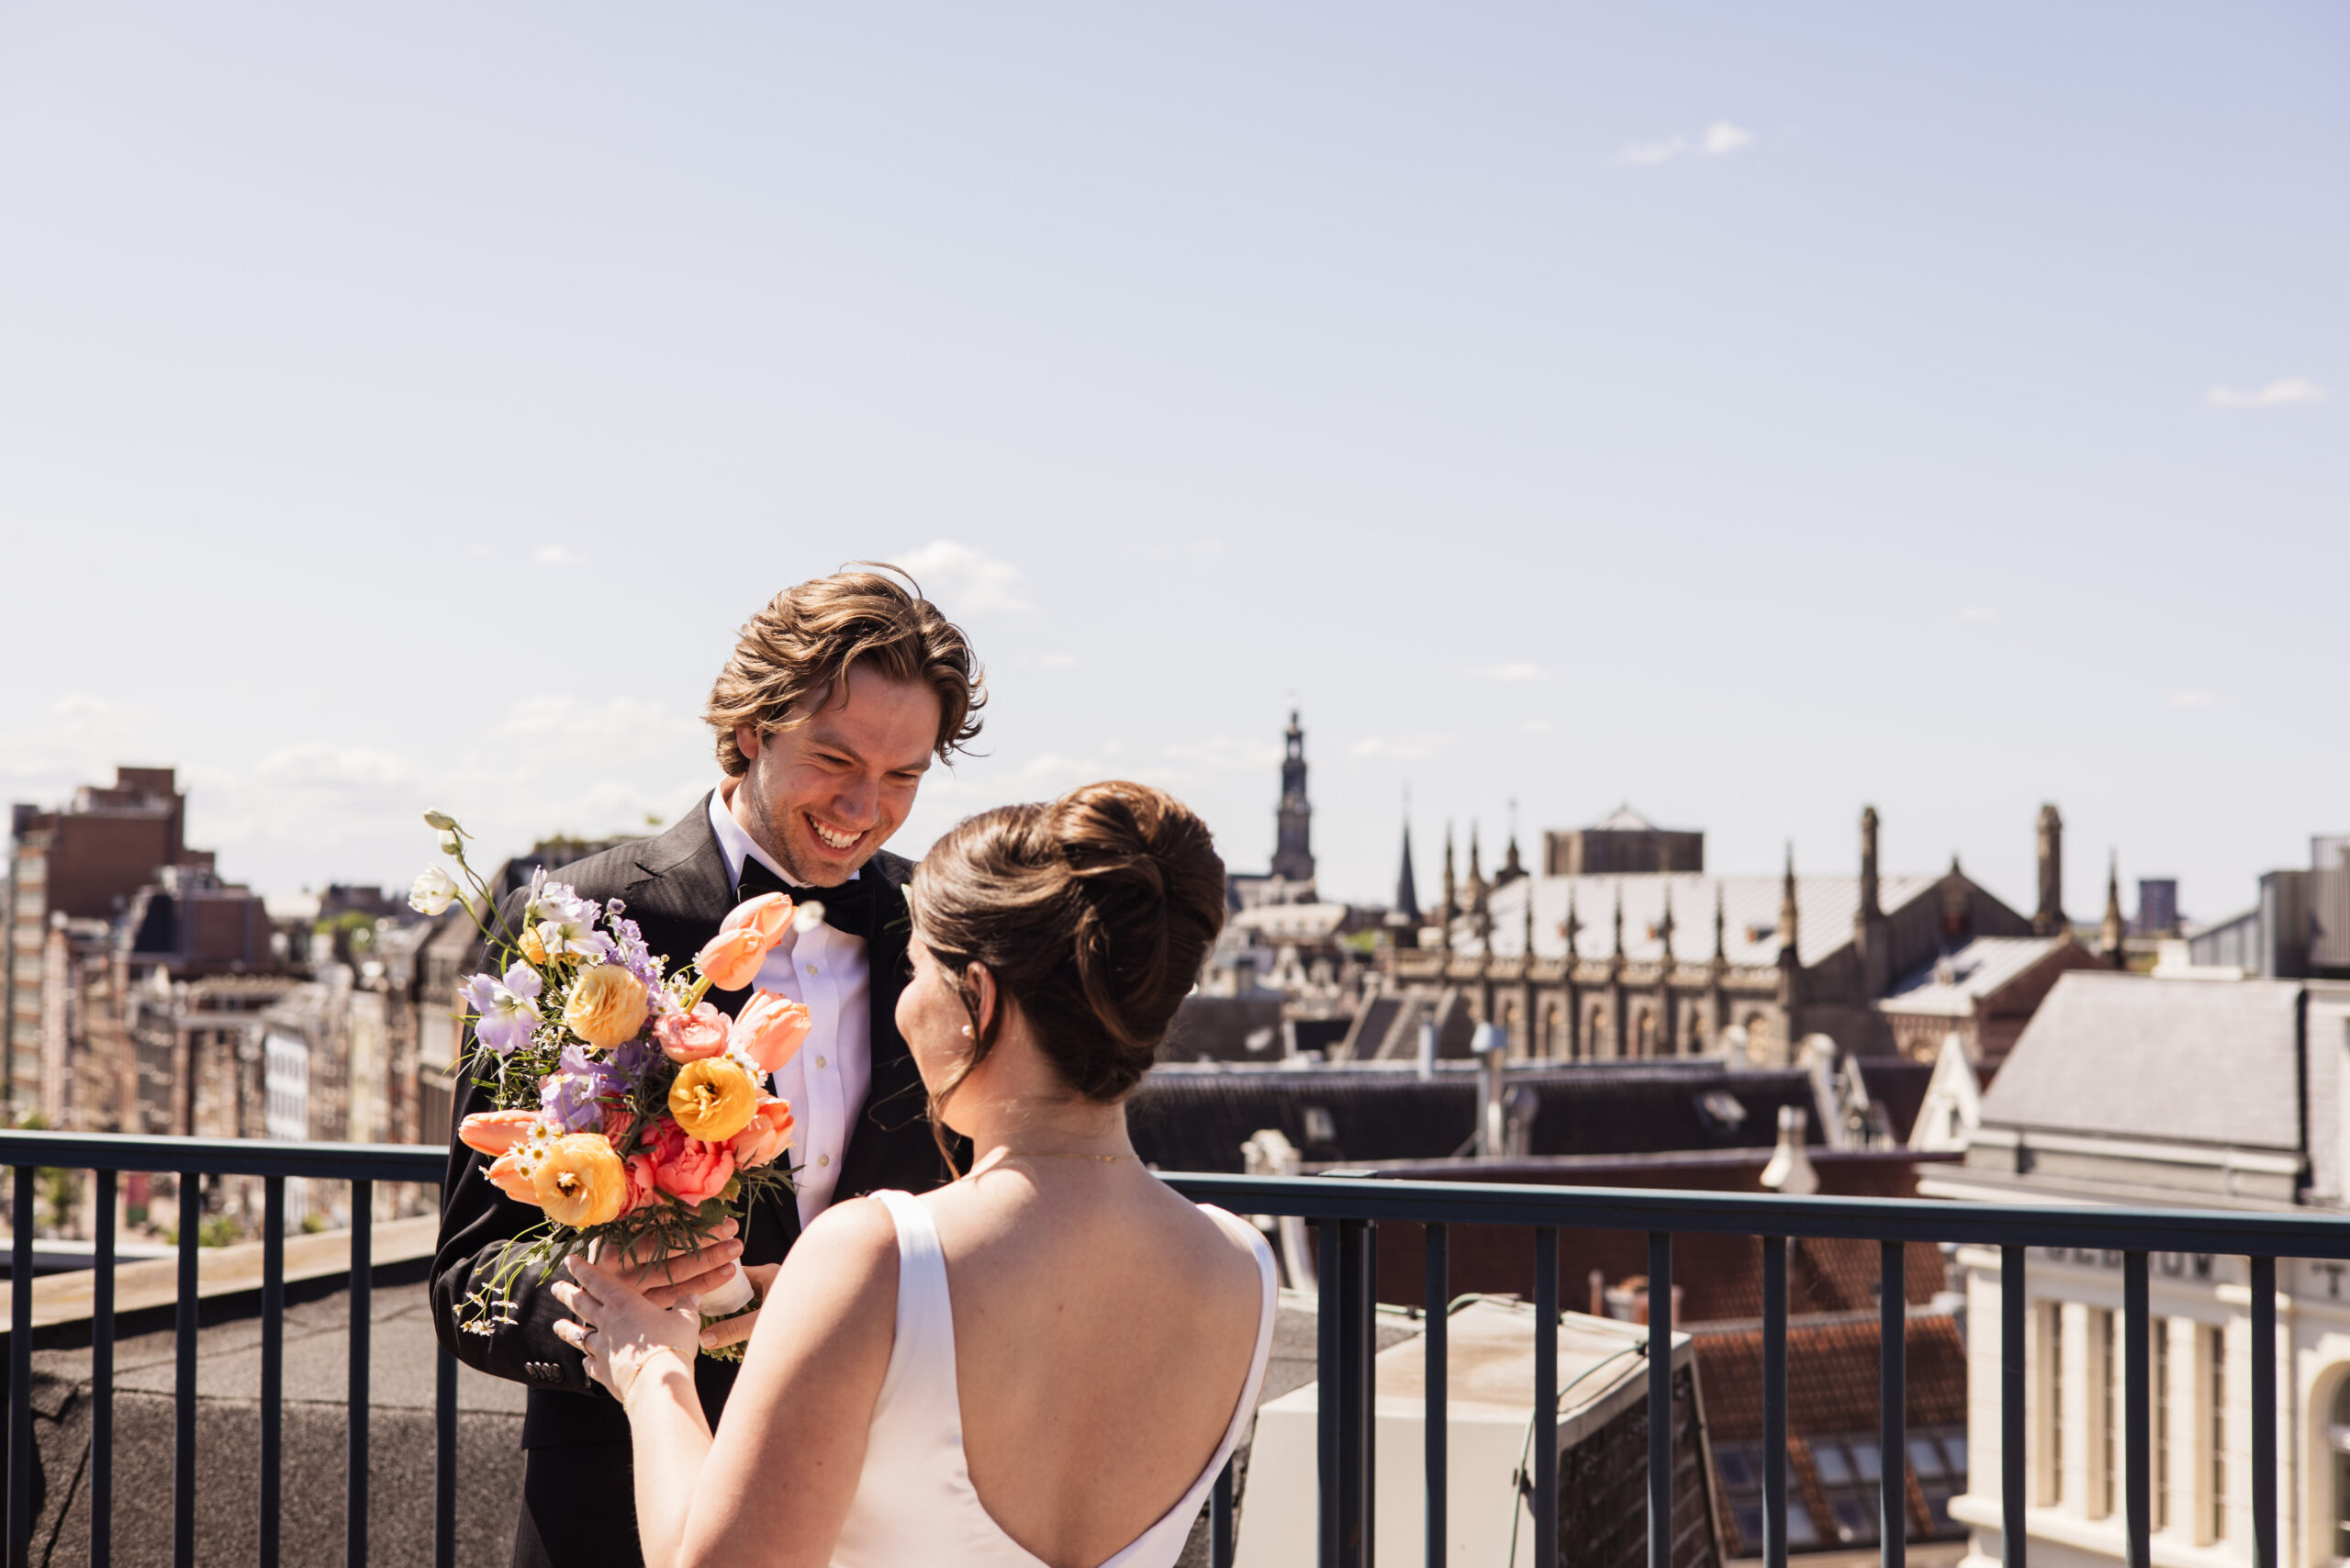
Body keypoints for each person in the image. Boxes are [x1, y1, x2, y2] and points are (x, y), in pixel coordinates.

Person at [550, 780, 1277, 1568]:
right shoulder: (1242, 1266)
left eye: (916, 969)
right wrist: (812, 1311)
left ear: (979, 999)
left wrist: (649, 1363)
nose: (903, 1004)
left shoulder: (874, 1255)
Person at [431, 567, 986, 1568]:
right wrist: (619, 1310)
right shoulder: (576, 926)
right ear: (747, 732)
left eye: (904, 776)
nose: (866, 807)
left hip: (879, 1515)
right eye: (836, 758)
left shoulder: (945, 939)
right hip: (615, 1516)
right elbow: (468, 1283)